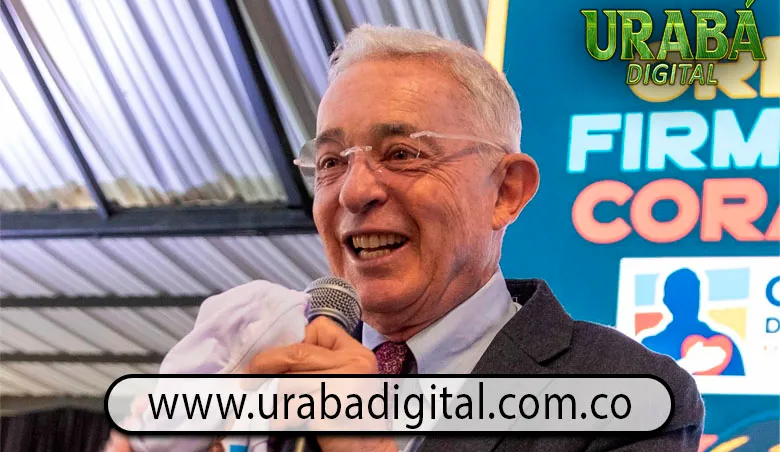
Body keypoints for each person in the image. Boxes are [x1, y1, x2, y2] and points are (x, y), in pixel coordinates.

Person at [106, 24, 704, 452]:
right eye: (331, 161)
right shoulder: (265, 369)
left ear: (505, 191)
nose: (353, 192)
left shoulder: (630, 395)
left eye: (402, 153)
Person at [642, 268, 745, 376]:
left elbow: (740, 383)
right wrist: (689, 364)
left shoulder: (725, 345)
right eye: (680, 296)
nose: (688, 302)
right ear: (667, 300)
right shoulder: (650, 346)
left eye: (692, 294)